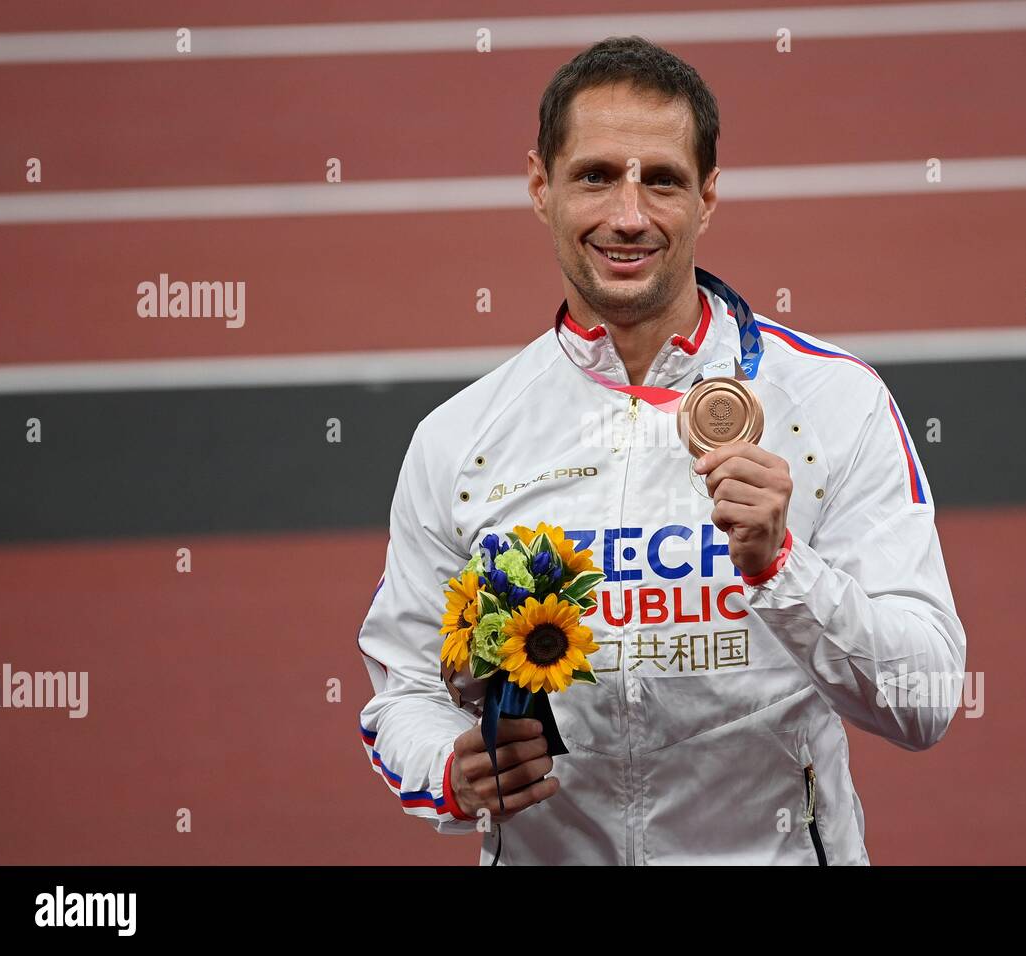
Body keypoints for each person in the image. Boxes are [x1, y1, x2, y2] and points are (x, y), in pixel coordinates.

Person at [356, 36, 966, 865]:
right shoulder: (461, 439)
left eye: (665, 180)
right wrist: (449, 770)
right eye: (596, 175)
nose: (630, 215)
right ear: (541, 185)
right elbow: (409, 691)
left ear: (708, 196)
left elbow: (924, 698)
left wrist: (781, 566)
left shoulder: (833, 402)